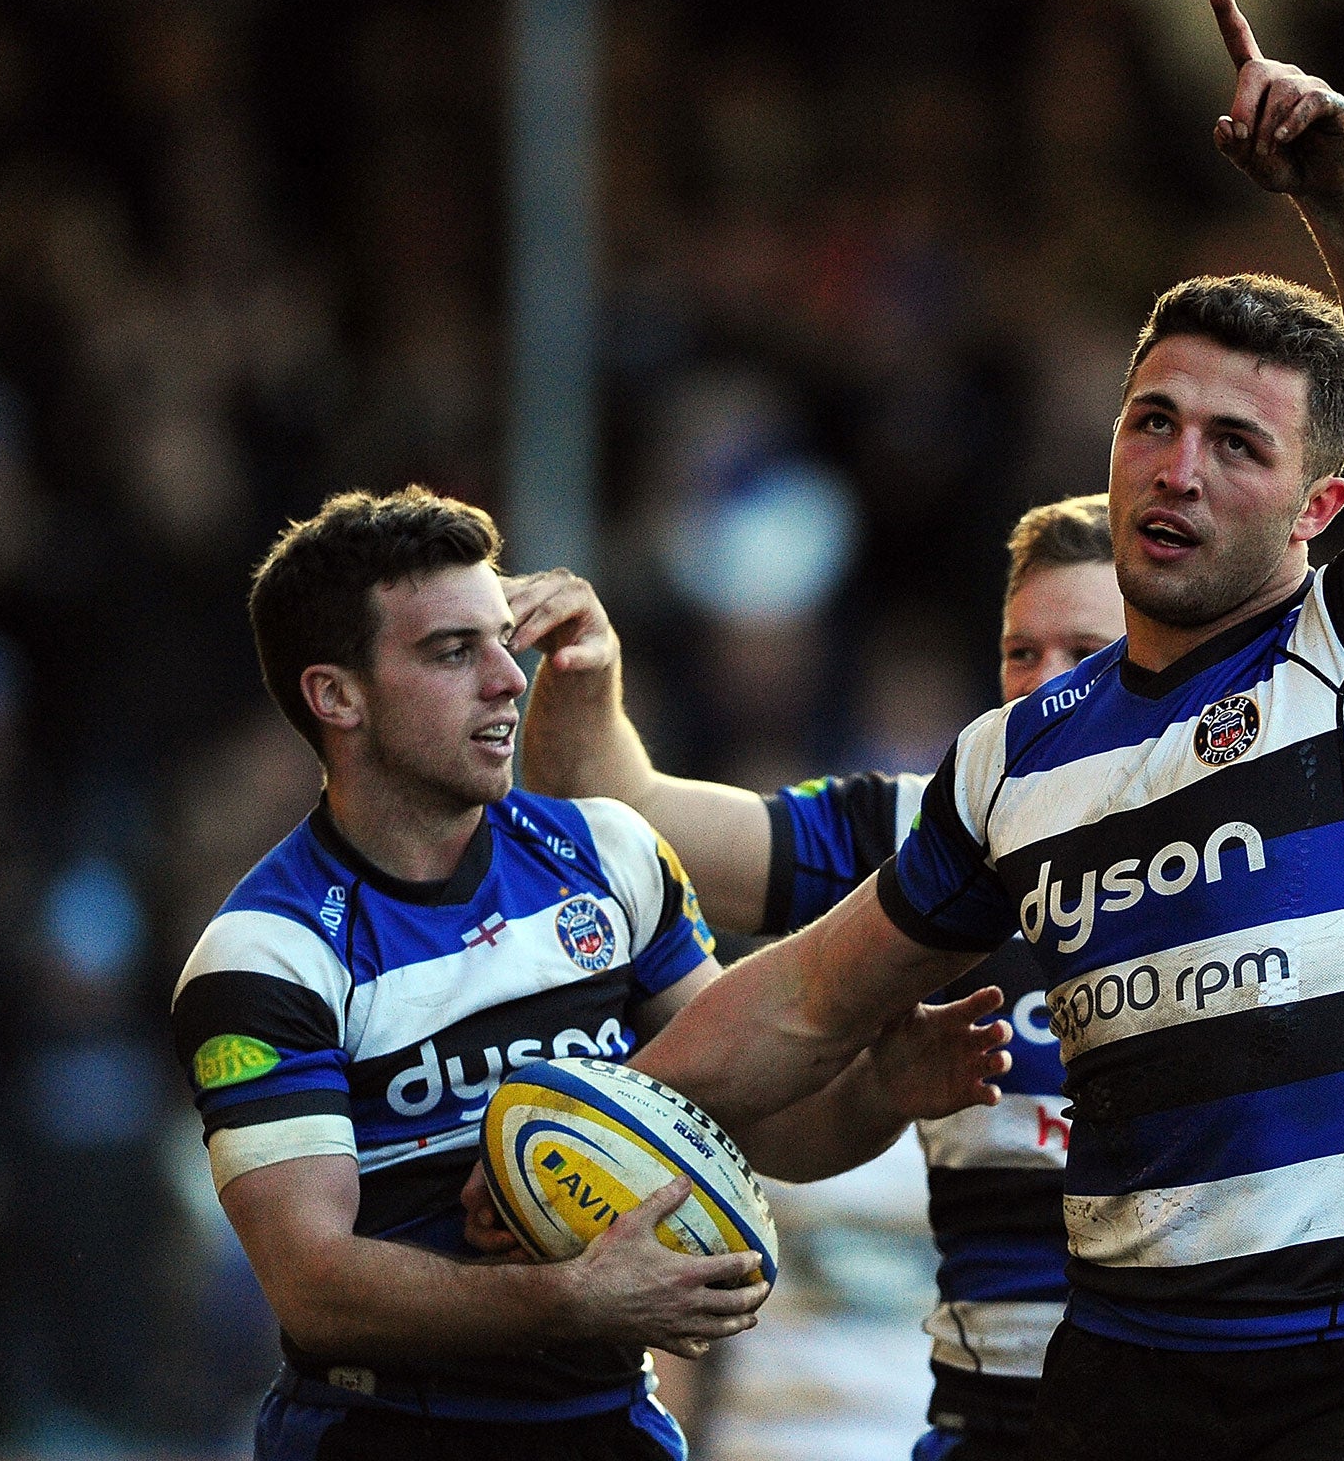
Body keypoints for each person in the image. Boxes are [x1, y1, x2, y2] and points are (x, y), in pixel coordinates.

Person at [621, 0, 1344, 1461]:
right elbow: (800, 1004)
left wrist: (1341, 196)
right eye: (1152, 421)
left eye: (1236, 443)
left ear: (1322, 509)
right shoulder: (1016, 758)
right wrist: (576, 1113)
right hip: (1115, 1381)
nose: (1176, 468)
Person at [169, 487, 1010, 1461]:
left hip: (607, 1423)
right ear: (336, 696)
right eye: (452, 652)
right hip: (385, 1435)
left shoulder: (608, 853)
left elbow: (755, 1121)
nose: (506, 681)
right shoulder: (266, 955)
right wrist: (571, 1300)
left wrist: (879, 1095)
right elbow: (315, 1289)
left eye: (502, 643)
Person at [500, 494, 1126, 1460]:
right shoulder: (930, 830)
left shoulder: (1266, 850)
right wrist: (587, 673)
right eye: (1020, 654)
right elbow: (617, 814)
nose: (1044, 691)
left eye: (1085, 656)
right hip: (984, 1431)